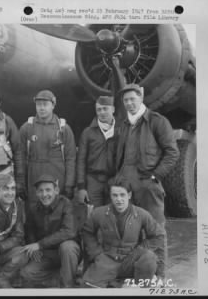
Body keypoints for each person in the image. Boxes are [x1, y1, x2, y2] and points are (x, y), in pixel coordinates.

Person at [115, 84, 179, 277]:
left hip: (148, 185)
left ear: (141, 97)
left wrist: (155, 175)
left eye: (132, 99)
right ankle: (137, 273)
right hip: (126, 186)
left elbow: (172, 152)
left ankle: (159, 276)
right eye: (126, 100)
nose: (129, 103)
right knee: (129, 232)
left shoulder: (157, 121)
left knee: (156, 231)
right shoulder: (124, 125)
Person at [81, 178, 165, 288]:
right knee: (89, 286)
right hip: (107, 259)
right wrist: (96, 253)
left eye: (122, 195)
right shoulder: (99, 213)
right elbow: (87, 232)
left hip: (131, 259)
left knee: (149, 258)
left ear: (129, 195)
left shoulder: (141, 214)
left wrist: (140, 249)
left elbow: (159, 235)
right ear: (110, 196)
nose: (119, 199)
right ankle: (119, 283)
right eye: (115, 195)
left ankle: (139, 284)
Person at [20, 174, 81, 288]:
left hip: (67, 252)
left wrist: (39, 244)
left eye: (48, 190)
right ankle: (60, 277)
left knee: (68, 247)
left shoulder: (66, 204)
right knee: (26, 273)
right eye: (40, 191)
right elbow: (29, 230)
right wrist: (33, 246)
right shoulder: (34, 209)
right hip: (46, 253)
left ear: (56, 190)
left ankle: (67, 288)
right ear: (37, 193)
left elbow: (69, 231)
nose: (44, 194)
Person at [19, 90, 76, 207]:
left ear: (53, 105)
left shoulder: (64, 129)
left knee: (58, 212)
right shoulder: (27, 128)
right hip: (34, 178)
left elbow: (71, 158)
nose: (41, 108)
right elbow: (20, 157)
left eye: (45, 104)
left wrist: (69, 184)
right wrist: (20, 183)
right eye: (38, 104)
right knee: (34, 214)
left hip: (57, 178)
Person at [76, 95, 119, 207]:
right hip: (93, 180)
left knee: (113, 217)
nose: (102, 112)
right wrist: (81, 187)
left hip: (114, 180)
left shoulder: (121, 131)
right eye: (99, 110)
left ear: (113, 109)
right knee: (94, 216)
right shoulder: (88, 132)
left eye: (105, 108)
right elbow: (81, 160)